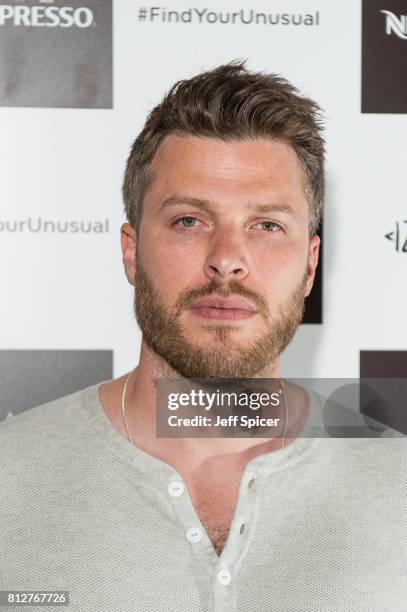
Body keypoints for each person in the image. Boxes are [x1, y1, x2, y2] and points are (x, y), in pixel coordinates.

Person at [1, 61, 406, 612]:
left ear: (310, 265)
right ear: (131, 251)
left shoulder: (397, 486)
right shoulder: (10, 477)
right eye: (190, 220)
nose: (227, 261)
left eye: (267, 225)